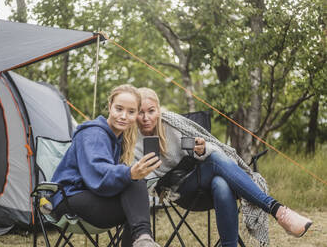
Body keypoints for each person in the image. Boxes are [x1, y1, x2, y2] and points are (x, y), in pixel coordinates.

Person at [133, 87, 312, 247]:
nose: (146, 117)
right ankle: (278, 210)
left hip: (200, 181)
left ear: (158, 110)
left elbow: (200, 150)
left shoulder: (170, 125)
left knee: (221, 182)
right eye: (141, 112)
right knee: (215, 161)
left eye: (151, 111)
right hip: (178, 192)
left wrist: (201, 149)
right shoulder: (133, 140)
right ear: (135, 114)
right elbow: (141, 181)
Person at [50, 84, 162, 247]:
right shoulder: (94, 134)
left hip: (91, 194)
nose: (124, 116)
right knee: (134, 200)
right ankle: (143, 238)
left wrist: (131, 175)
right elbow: (98, 172)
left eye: (131, 112)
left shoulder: (116, 138)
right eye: (119, 109)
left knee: (135, 192)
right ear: (109, 107)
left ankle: (143, 239)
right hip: (69, 198)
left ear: (137, 114)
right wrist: (129, 173)